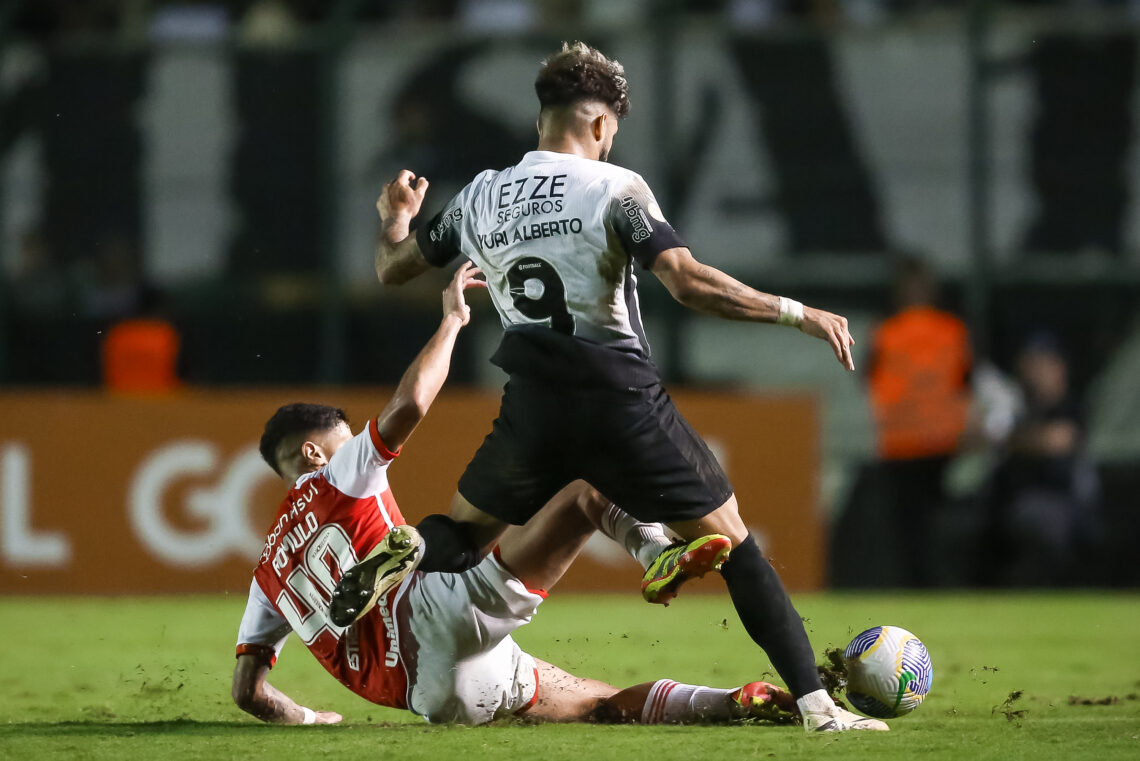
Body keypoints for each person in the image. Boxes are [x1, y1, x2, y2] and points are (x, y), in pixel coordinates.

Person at [344, 41, 884, 733]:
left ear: (544, 117)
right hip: (618, 397)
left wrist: (394, 217)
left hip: (532, 401)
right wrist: (796, 311)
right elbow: (687, 281)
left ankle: (414, 546)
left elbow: (394, 268)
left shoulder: (480, 194)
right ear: (600, 125)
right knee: (738, 548)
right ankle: (818, 708)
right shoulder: (616, 189)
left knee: (462, 533)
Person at [232, 263, 796, 726]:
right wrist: (453, 320)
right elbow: (407, 407)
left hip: (431, 695)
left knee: (600, 707)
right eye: (343, 438)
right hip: (433, 616)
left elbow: (249, 693)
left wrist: (310, 720)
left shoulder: (266, 575)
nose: (352, 442)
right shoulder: (335, 476)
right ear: (312, 452)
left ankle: (738, 704)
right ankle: (657, 553)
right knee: (584, 489)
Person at [864, 256, 972, 586]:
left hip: (904, 442)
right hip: (938, 440)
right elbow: (967, 382)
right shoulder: (951, 330)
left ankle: (919, 584)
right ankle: (938, 584)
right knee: (932, 524)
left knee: (909, 527)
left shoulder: (886, 333)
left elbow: (867, 380)